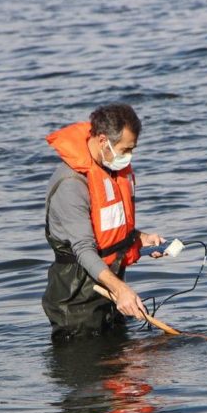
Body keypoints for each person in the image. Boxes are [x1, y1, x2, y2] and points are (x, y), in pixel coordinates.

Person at [42, 103, 165, 340]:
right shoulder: (71, 184)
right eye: (125, 150)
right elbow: (84, 249)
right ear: (102, 141)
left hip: (110, 294)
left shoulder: (109, 168)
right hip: (76, 303)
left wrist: (142, 239)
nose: (128, 157)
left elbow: (107, 227)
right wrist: (122, 291)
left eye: (132, 150)